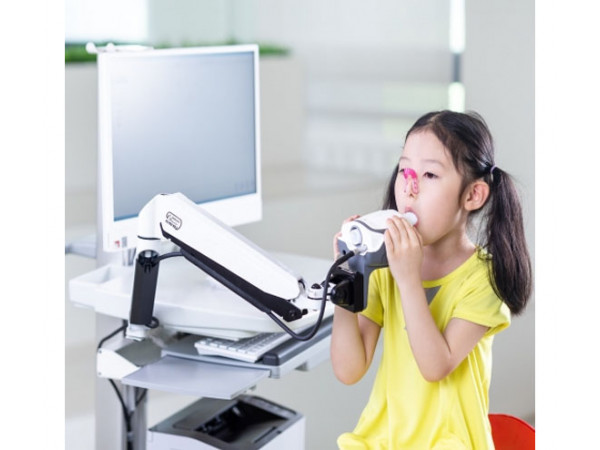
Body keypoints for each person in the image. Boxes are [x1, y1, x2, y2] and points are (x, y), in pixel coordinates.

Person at [330, 110, 532, 449]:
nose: (410, 188)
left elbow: (435, 366)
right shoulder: (384, 265)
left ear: (473, 195)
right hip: (383, 440)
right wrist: (347, 278)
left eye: (429, 174)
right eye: (404, 170)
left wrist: (408, 280)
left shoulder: (484, 278)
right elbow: (349, 370)